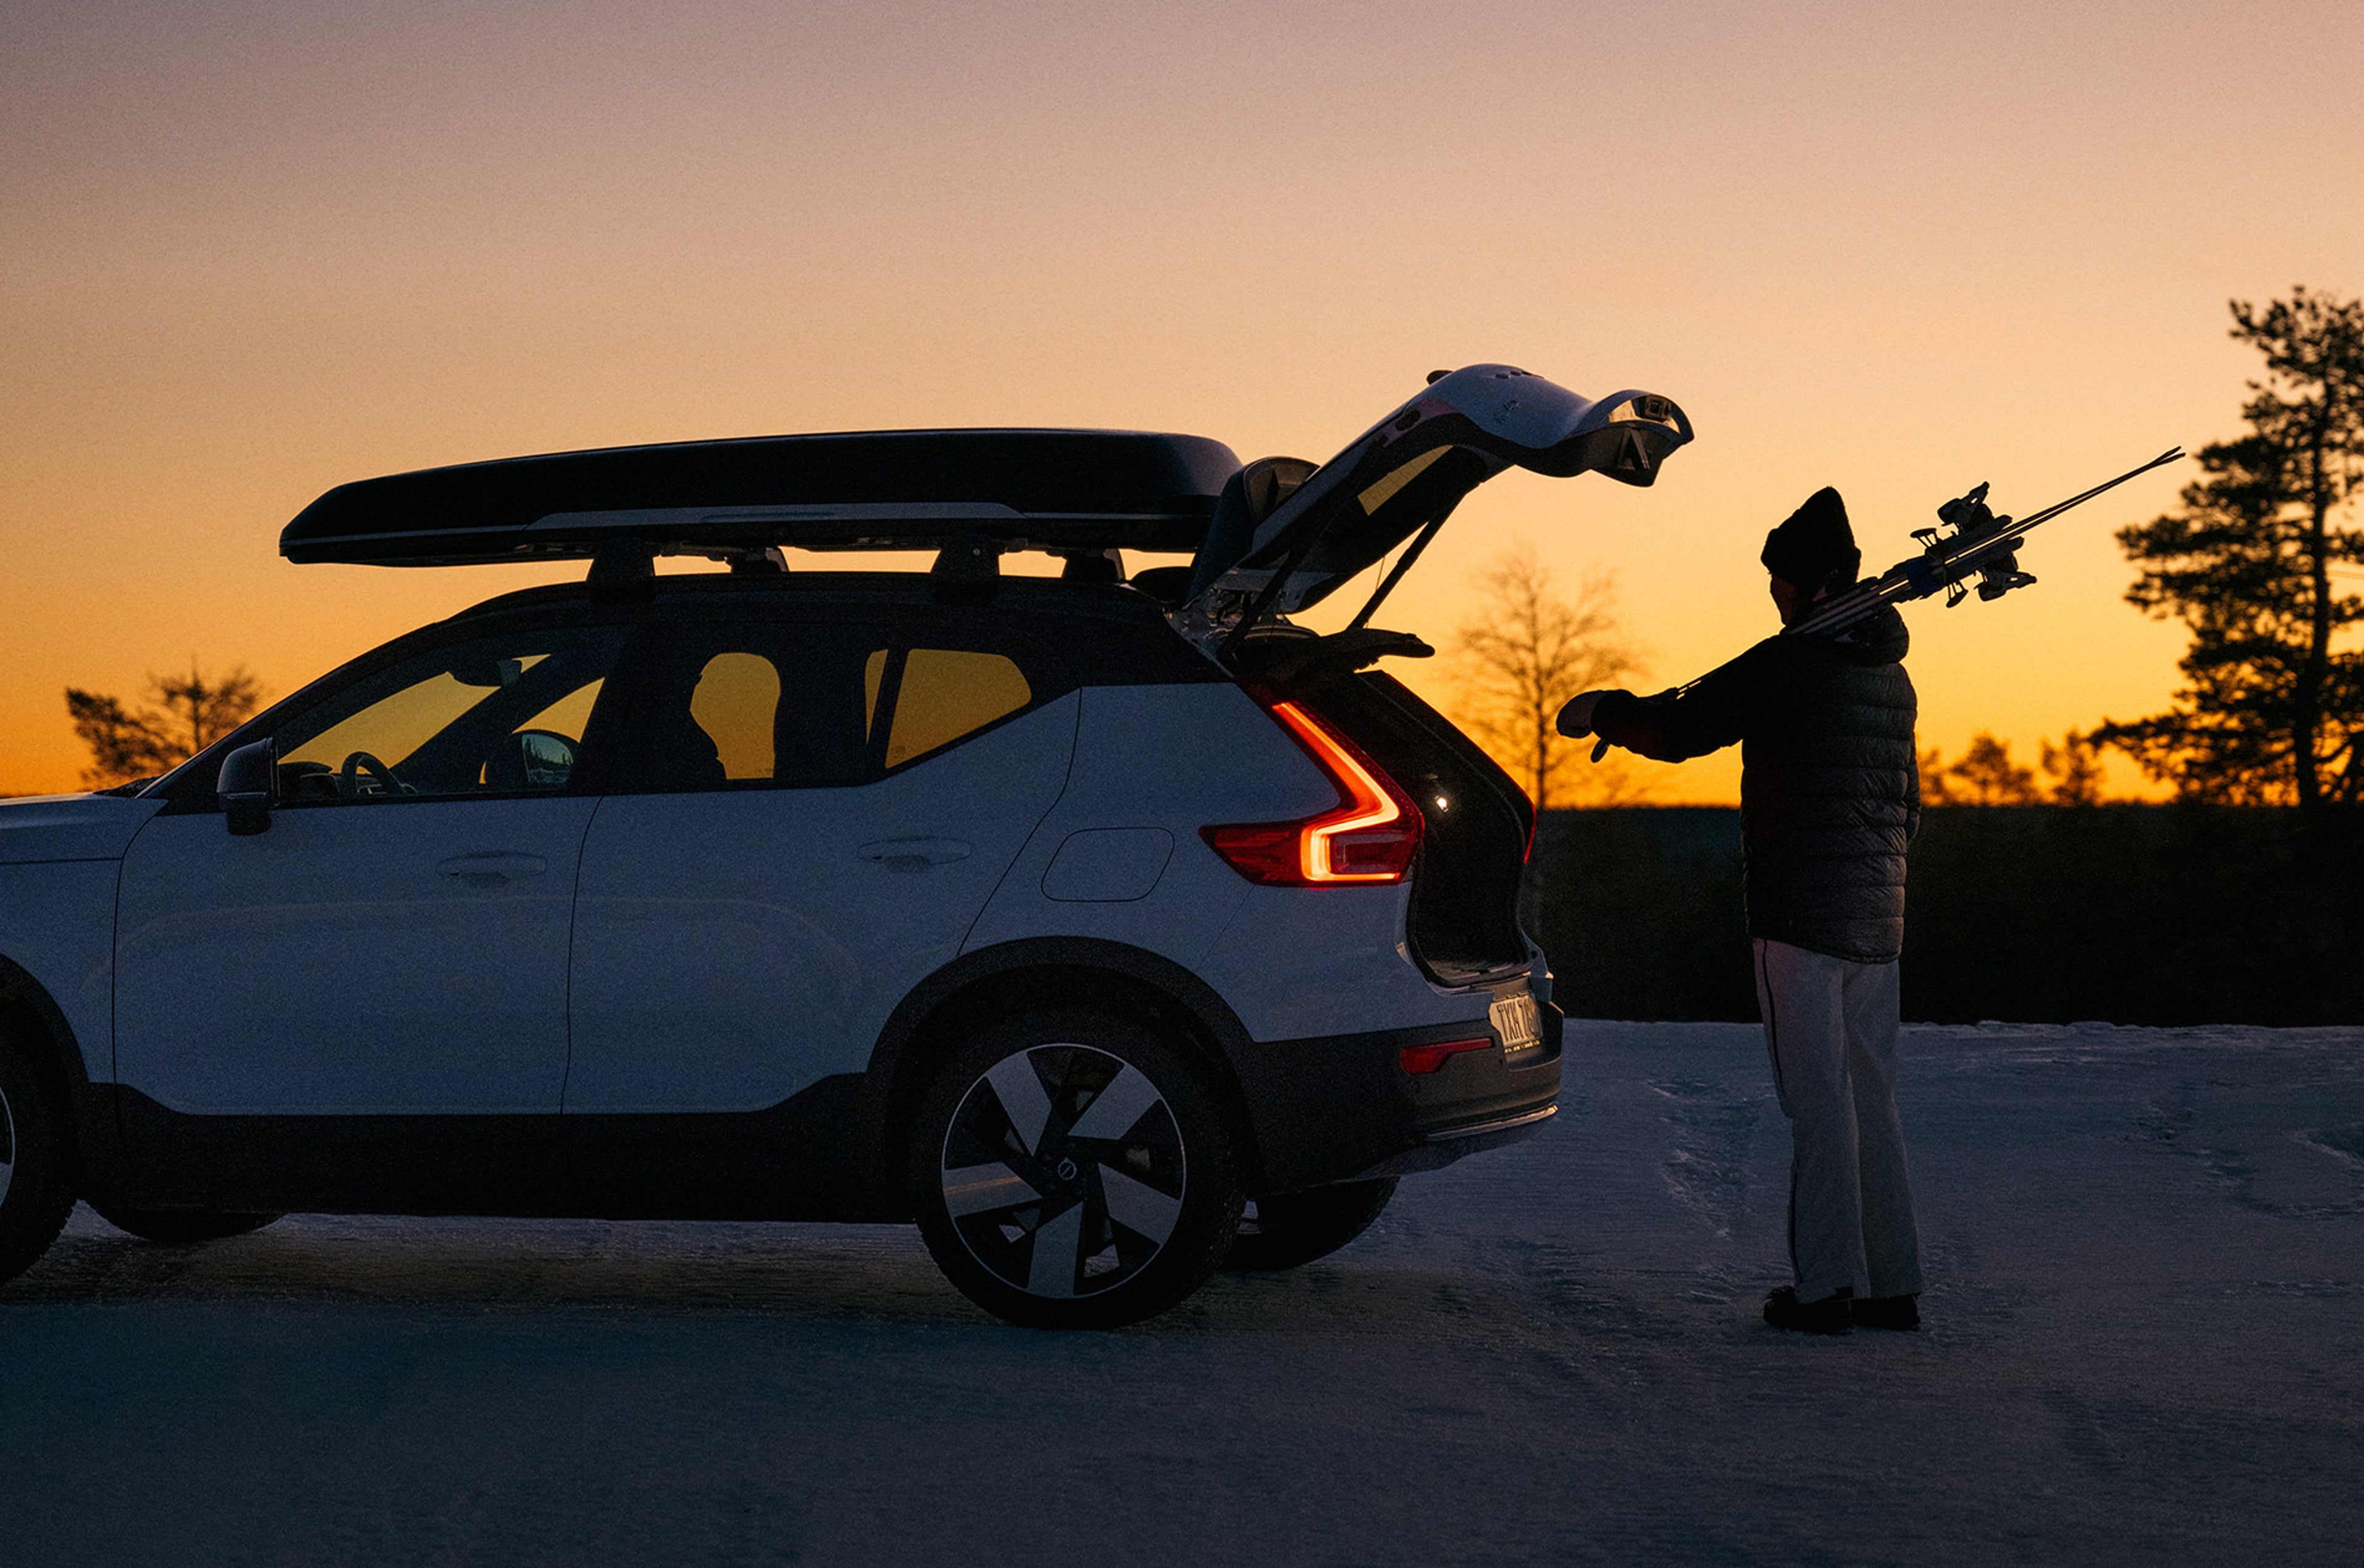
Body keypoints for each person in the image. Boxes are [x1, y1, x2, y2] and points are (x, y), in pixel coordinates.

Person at [1558, 488, 1924, 1334]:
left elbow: (1689, 726)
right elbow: (1907, 807)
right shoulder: (1889, 673)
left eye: (1776, 580)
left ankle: (1827, 1287)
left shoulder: (1793, 660)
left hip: (1800, 918)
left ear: (1801, 583)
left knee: (1818, 1103)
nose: (1772, 594)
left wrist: (1603, 710)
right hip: (1879, 922)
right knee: (1872, 1100)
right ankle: (1891, 1284)